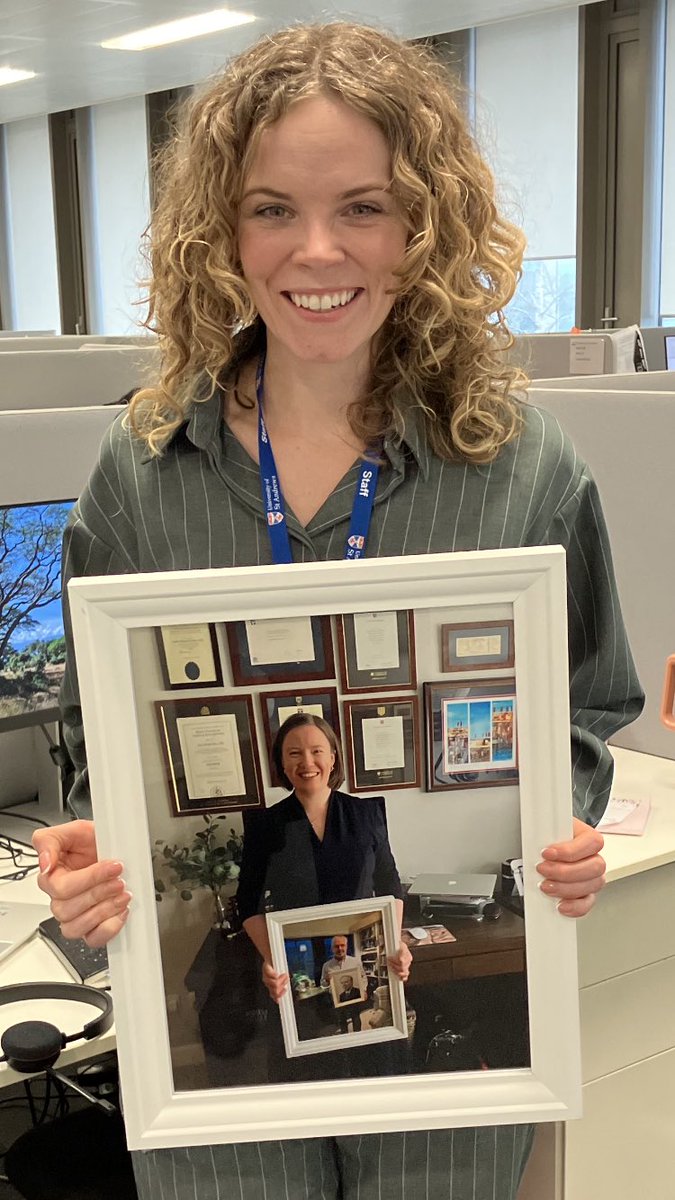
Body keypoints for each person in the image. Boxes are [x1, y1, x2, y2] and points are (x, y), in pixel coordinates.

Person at [32, 20, 644, 1200]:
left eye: (363, 206)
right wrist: (89, 846)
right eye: (272, 209)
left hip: (422, 1054)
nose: (318, 249)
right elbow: (94, 741)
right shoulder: (142, 472)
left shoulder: (521, 466)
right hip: (238, 1071)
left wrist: (555, 821)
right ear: (224, 230)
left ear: (425, 224)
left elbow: (587, 703)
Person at [237, 712, 410, 1003]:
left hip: (364, 962)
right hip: (298, 968)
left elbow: (389, 884)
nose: (307, 762)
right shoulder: (264, 826)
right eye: (294, 753)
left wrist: (395, 945)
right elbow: (247, 901)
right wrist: (274, 960)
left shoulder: (367, 815)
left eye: (317, 751)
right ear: (281, 762)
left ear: (332, 757)